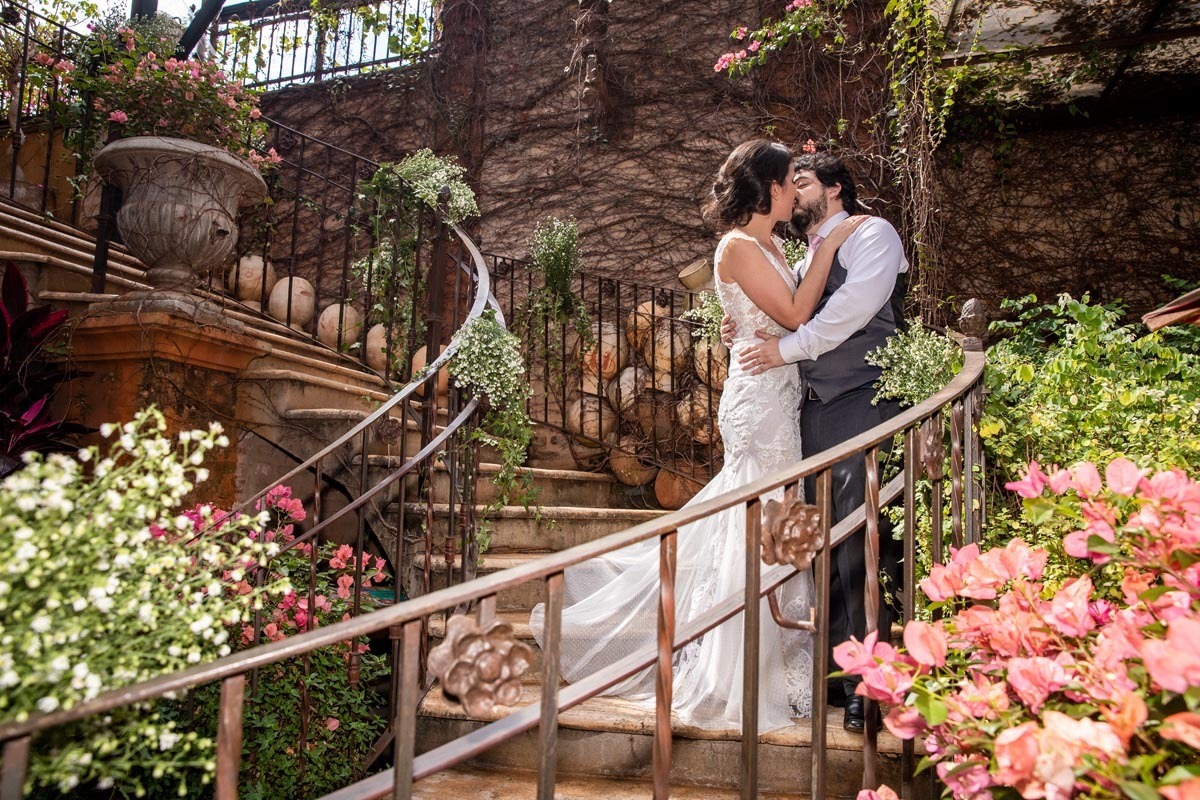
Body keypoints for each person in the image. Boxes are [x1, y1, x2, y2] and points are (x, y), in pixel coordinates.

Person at [530, 140, 866, 733]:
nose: (795, 191)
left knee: (770, 518)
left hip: (778, 394)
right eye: (789, 180)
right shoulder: (736, 245)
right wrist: (832, 245)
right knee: (757, 521)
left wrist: (750, 317)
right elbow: (794, 314)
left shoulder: (770, 244)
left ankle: (778, 663)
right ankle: (736, 672)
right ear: (767, 187)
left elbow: (770, 312)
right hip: (758, 405)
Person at [728, 151, 908, 733]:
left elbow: (848, 315)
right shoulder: (800, 254)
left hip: (860, 399)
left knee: (858, 540)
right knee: (819, 542)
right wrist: (745, 327)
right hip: (806, 410)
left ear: (833, 189)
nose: (790, 190)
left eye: (800, 181)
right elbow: (785, 310)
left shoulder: (872, 234)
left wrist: (783, 349)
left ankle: (867, 686)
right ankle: (833, 671)